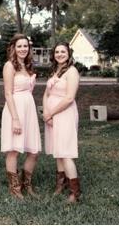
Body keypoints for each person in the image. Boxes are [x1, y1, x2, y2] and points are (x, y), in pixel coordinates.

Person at [0, 33, 41, 199]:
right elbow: (8, 94)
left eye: (26, 46)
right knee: (14, 150)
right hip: (14, 110)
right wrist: (15, 119)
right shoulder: (10, 66)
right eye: (19, 46)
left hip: (29, 109)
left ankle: (27, 184)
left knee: (34, 151)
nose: (23, 49)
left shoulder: (28, 66)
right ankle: (15, 189)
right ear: (13, 48)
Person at [42, 42, 81, 203]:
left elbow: (69, 98)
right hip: (52, 116)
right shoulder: (55, 71)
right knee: (58, 151)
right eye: (57, 52)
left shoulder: (72, 72)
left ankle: (75, 192)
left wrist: (51, 112)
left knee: (65, 152)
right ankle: (61, 184)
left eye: (63, 51)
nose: (59, 54)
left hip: (65, 114)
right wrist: (46, 113)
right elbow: (46, 94)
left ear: (69, 53)